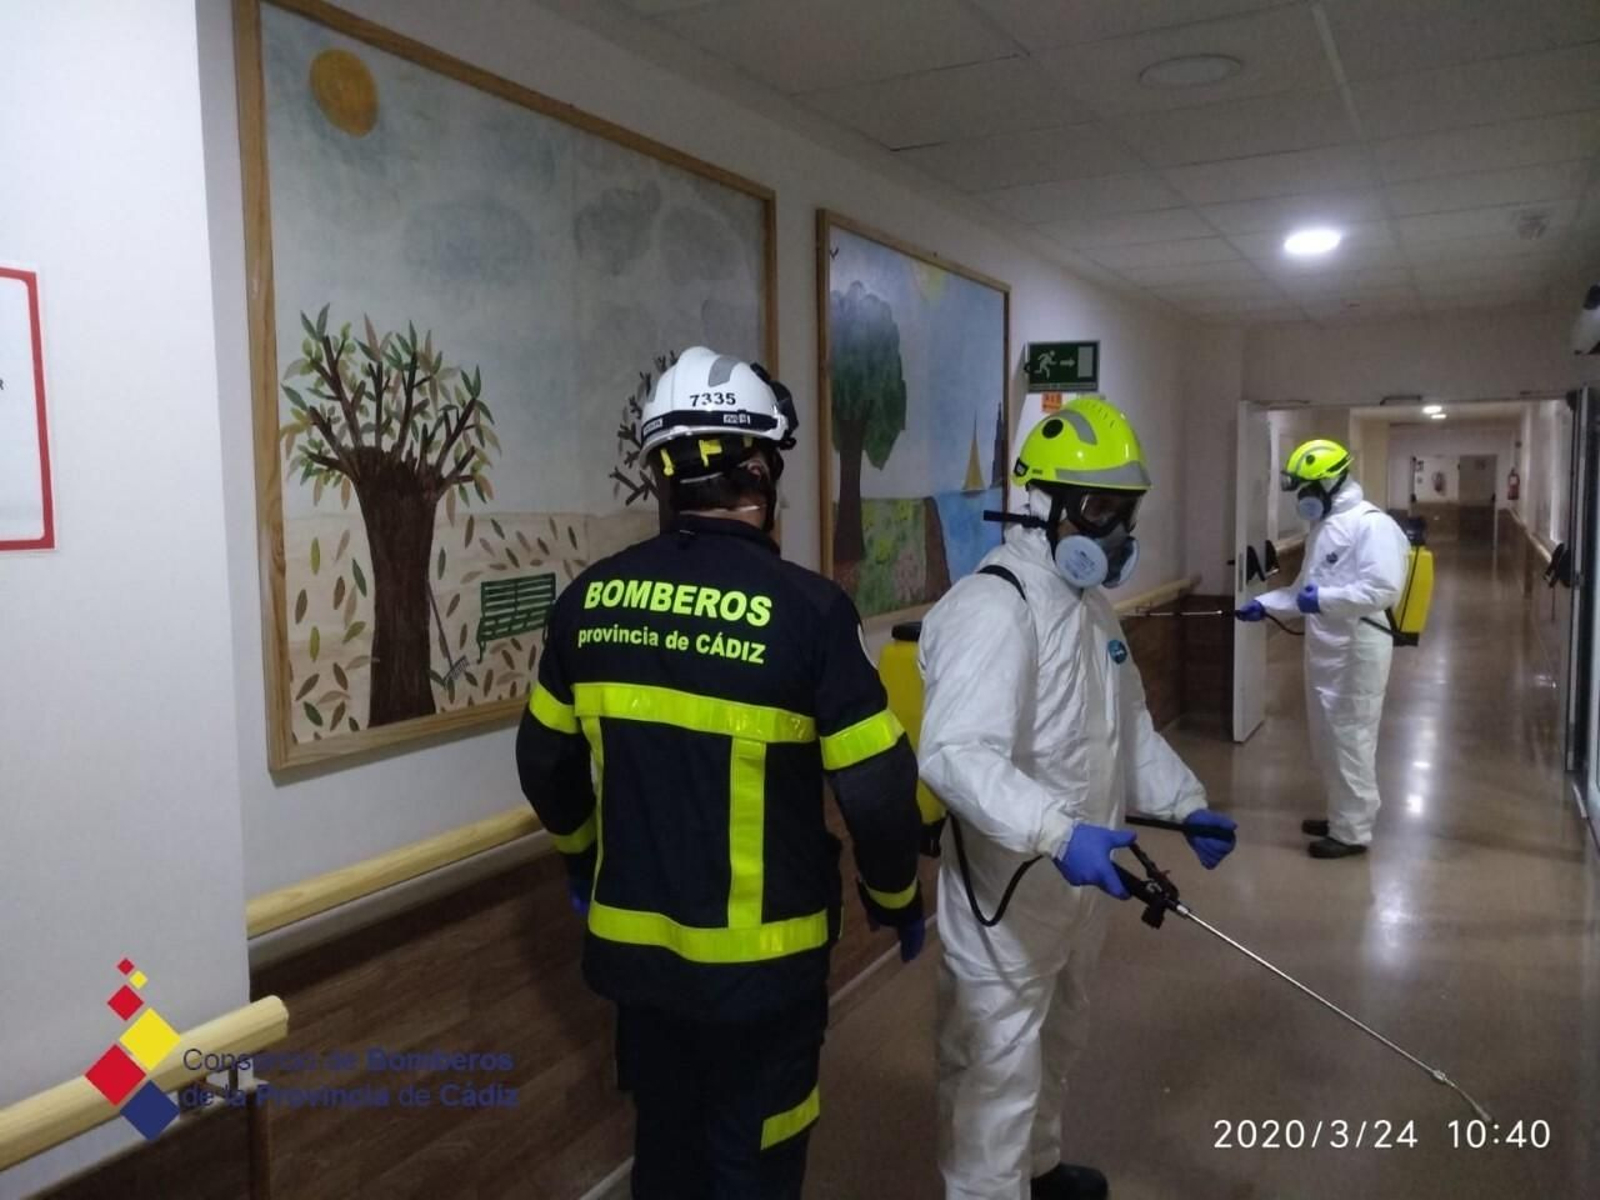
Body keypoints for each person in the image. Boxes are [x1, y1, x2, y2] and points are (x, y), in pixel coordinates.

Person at [516, 346, 924, 1199]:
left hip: (636, 965)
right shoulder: (810, 612)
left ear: (663, 474)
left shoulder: (587, 602)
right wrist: (894, 898)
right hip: (762, 978)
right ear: (761, 471)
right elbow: (879, 790)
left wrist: (581, 861)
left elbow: (544, 760)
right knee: (755, 1161)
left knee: (665, 1150)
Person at [918, 398, 1238, 1200]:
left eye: (1124, 511)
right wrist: (1060, 834)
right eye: (1097, 509)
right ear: (1037, 504)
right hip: (1010, 892)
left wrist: (1185, 801)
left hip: (1079, 884)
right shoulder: (995, 609)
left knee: (1058, 1038)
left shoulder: (1091, 609)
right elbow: (955, 756)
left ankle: (1039, 1168)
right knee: (995, 1068)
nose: (1116, 534)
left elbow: (1123, 730)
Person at [1236, 437, 1410, 859]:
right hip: (1326, 647)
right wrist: (1263, 603)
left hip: (1359, 646)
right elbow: (1303, 592)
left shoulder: (1372, 525)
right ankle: (1340, 814)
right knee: (1327, 738)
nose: (1302, 498)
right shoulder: (1325, 527)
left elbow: (1383, 589)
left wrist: (1324, 602)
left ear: (1330, 483)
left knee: (1351, 738)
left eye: (1307, 489)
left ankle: (1353, 831)